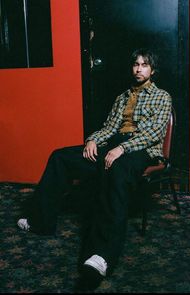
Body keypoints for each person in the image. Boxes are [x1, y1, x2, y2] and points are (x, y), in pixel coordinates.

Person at [17, 48, 172, 291]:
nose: (138, 69)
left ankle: (101, 256)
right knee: (61, 156)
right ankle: (40, 221)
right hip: (114, 145)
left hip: (140, 150)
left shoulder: (162, 96)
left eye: (144, 65)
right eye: (136, 64)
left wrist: (122, 149)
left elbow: (152, 134)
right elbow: (109, 128)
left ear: (153, 70)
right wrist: (93, 140)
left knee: (116, 170)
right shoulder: (122, 97)